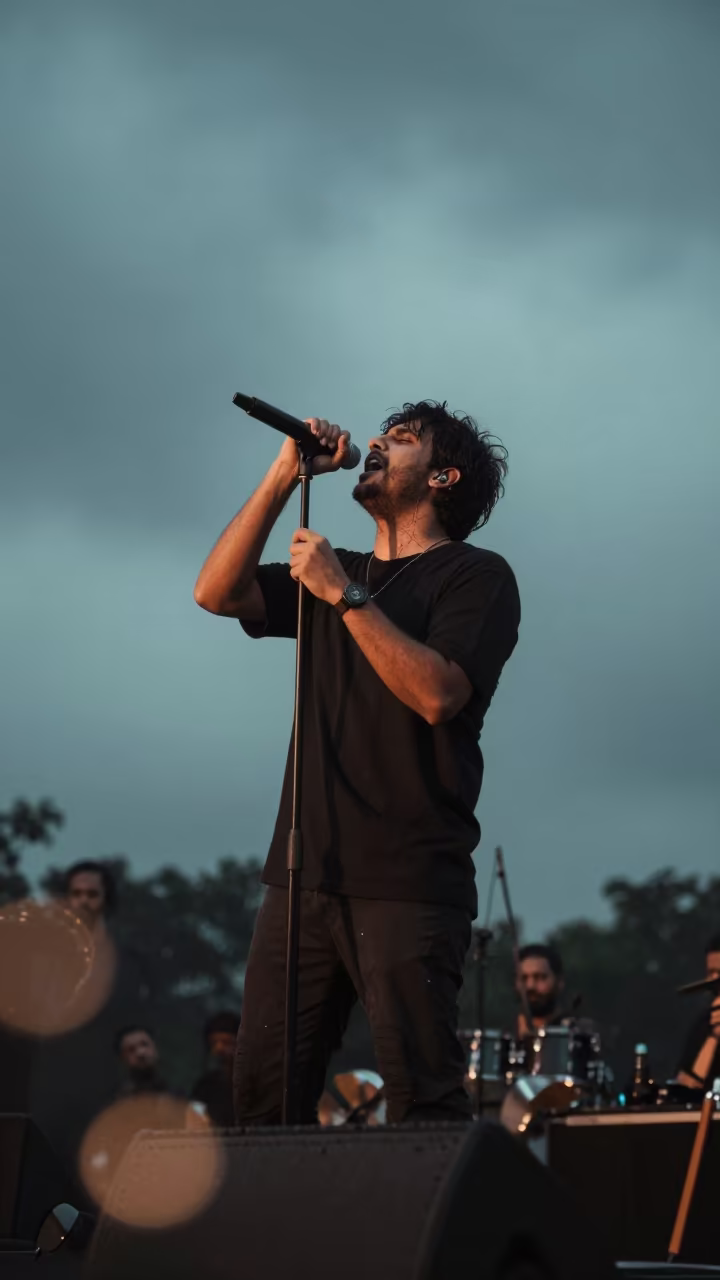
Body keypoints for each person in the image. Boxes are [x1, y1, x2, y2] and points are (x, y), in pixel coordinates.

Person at [195, 399, 520, 1125]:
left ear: (443, 476)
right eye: (379, 435)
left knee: (422, 1105)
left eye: (401, 440)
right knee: (261, 1102)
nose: (375, 444)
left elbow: (437, 694)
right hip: (301, 875)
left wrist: (342, 593)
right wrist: (285, 475)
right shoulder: (333, 571)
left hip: (408, 879)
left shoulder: (474, 577)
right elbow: (215, 592)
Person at [675, 934, 720, 1089]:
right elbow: (688, 1084)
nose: (714, 981)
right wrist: (714, 1037)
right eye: (711, 973)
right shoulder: (704, 1023)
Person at [190, 1011, 240, 1127]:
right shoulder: (204, 1085)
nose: (219, 1048)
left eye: (226, 1042)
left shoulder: (254, 1082)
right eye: (214, 1043)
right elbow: (195, 1116)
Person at [514, 944, 568, 1037]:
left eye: (540, 977)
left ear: (559, 982)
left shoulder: (572, 1033)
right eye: (523, 978)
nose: (530, 986)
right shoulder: (504, 1033)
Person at [115, 1025, 168, 1096]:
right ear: (123, 1059)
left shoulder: (177, 1095)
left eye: (144, 1044)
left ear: (155, 1048)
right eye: (131, 1050)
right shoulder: (121, 1101)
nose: (140, 1052)